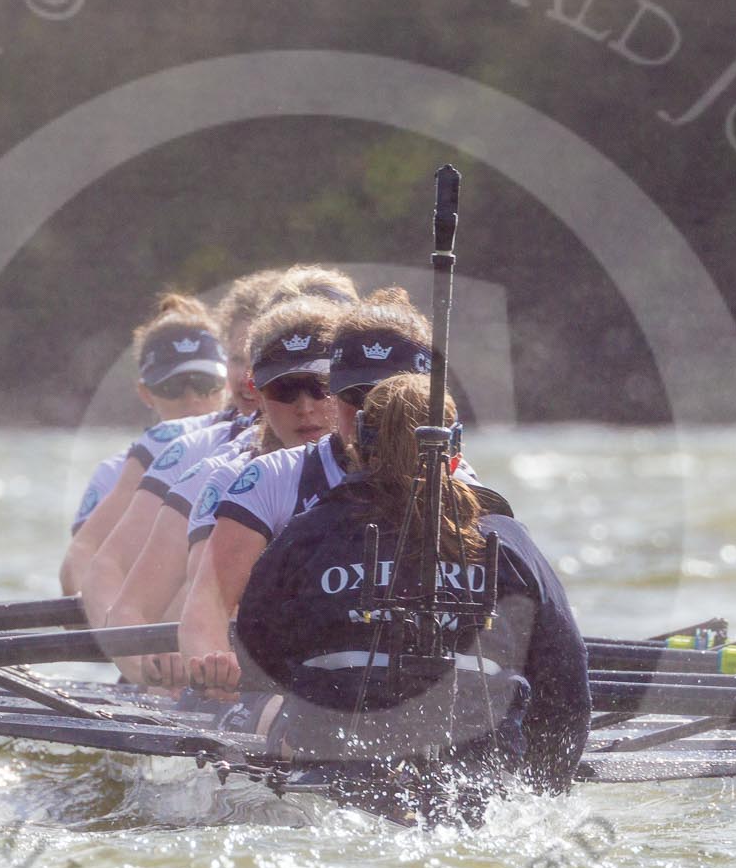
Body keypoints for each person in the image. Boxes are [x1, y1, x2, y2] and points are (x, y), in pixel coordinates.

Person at [232, 375, 589, 823]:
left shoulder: (306, 534)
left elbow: (255, 651)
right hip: (481, 791)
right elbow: (566, 681)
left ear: (359, 443)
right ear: (456, 452)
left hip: (330, 784)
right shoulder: (509, 543)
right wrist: (544, 792)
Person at [172, 288, 505, 691]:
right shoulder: (271, 479)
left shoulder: (464, 486)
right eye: (357, 398)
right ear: (337, 397)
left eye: (387, 398)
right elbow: (205, 607)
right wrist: (213, 664)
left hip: (428, 688)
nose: (375, 416)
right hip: (300, 691)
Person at [79, 268, 359, 636]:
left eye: (319, 382)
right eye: (286, 383)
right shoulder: (214, 465)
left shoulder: (415, 461)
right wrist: (157, 661)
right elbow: (106, 574)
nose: (305, 405)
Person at [60, 279, 270, 594]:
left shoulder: (261, 453)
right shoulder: (112, 476)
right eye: (173, 387)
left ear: (226, 381)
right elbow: (79, 567)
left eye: (203, 384)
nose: (192, 400)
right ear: (146, 393)